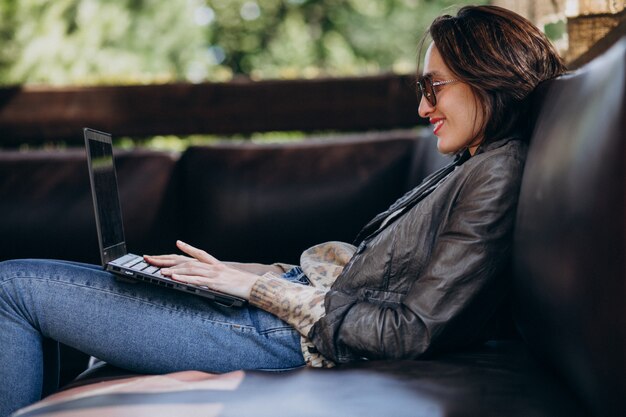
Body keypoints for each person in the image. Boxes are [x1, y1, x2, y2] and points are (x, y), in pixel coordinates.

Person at [0, 5, 566, 416]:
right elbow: (370, 282)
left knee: (12, 288)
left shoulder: (497, 170)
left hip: (284, 337)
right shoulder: (480, 161)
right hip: (285, 317)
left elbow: (410, 328)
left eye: (433, 87)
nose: (422, 105)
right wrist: (248, 275)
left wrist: (255, 292)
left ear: (486, 78)